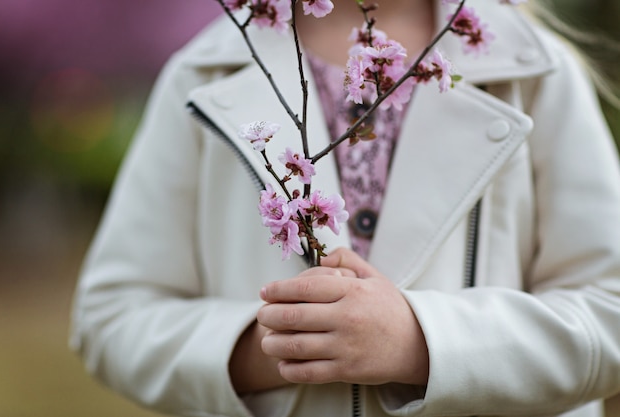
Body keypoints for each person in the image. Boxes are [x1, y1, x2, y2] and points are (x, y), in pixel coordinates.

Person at [69, 0, 620, 416]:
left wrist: (422, 341)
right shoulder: (203, 74)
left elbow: (608, 309)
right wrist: (274, 347)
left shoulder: (537, 72)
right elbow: (113, 315)